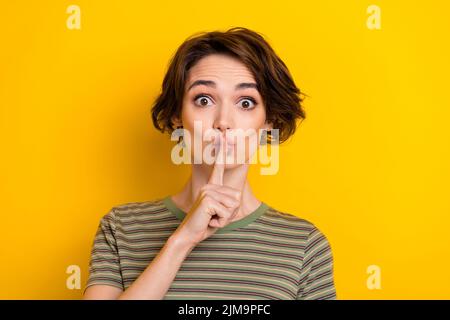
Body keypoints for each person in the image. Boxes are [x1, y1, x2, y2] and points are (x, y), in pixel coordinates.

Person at [83, 27, 336, 300]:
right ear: (176, 116)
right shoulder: (122, 227)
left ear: (268, 121)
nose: (223, 122)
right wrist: (183, 239)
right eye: (204, 100)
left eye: (246, 103)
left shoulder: (303, 244)